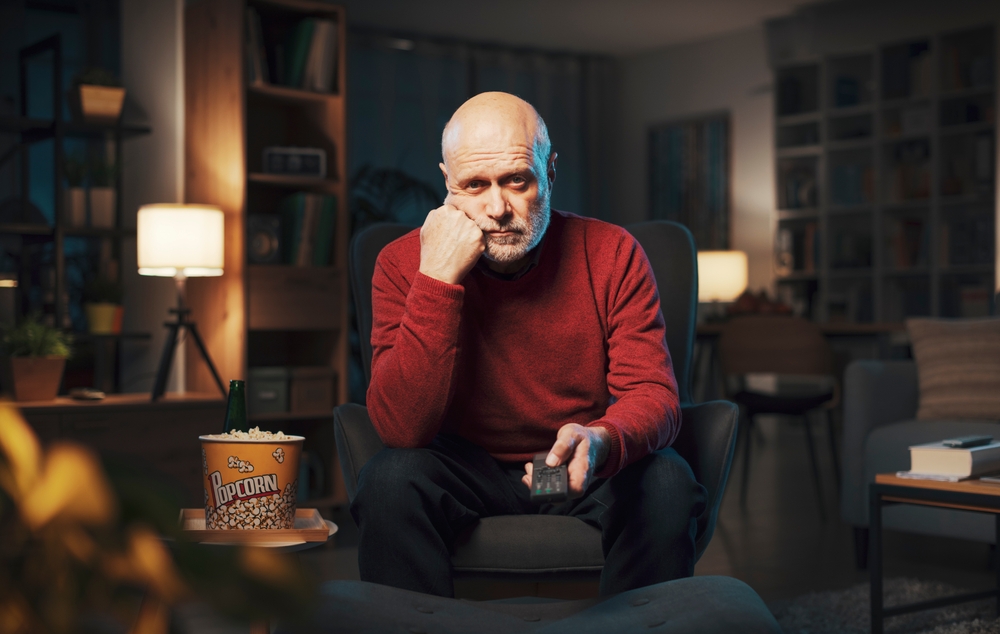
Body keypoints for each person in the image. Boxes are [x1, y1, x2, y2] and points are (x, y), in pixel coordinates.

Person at [351, 91, 706, 598]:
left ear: (550, 169)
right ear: (447, 184)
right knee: (389, 481)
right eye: (474, 186)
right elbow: (400, 427)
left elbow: (654, 394)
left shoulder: (612, 253)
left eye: (517, 180)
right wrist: (437, 279)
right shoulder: (402, 263)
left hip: (573, 467)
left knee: (667, 482)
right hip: (466, 471)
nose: (497, 208)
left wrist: (602, 438)